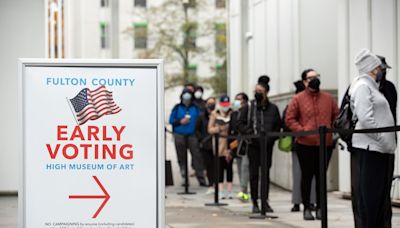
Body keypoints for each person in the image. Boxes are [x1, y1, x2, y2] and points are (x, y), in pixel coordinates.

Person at [349, 49, 396, 228]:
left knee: (378, 198)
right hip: (371, 149)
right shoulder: (363, 86)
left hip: (379, 150)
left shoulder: (370, 86)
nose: (381, 70)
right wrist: (382, 139)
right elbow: (365, 118)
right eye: (378, 67)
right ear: (372, 68)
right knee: (371, 198)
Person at [286, 69, 339, 220]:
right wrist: (303, 131)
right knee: (307, 177)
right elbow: (290, 119)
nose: (314, 80)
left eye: (316, 77)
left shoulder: (328, 98)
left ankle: (321, 208)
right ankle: (307, 208)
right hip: (305, 144)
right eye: (310, 78)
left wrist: (333, 130)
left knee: (321, 177)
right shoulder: (298, 99)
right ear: (304, 81)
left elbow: (337, 115)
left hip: (325, 144)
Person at [239, 75, 281, 213]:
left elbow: (277, 126)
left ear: (266, 92)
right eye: (255, 91)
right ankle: (254, 202)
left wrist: (270, 139)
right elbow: (240, 124)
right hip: (253, 145)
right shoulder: (249, 107)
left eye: (260, 91)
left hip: (267, 146)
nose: (257, 93)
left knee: (265, 174)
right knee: (254, 174)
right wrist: (249, 132)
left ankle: (265, 201)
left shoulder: (273, 108)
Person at [282, 80, 317, 212]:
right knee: (299, 174)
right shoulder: (294, 102)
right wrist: (301, 129)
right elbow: (286, 121)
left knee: (309, 174)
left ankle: (310, 201)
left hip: (310, 142)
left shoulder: (312, 101)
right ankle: (298, 201)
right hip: (298, 142)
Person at [169, 88, 206, 187]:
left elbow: (201, 121)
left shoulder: (195, 108)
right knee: (181, 157)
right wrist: (180, 121)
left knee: (197, 156)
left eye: (189, 94)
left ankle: (201, 178)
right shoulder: (177, 108)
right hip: (179, 135)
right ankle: (184, 178)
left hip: (192, 136)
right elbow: (171, 120)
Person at [208, 95, 234, 199]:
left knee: (229, 168)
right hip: (219, 145)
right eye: (224, 104)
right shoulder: (215, 114)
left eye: (227, 104)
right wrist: (219, 128)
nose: (225, 106)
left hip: (230, 144)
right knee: (219, 169)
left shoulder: (232, 113)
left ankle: (230, 191)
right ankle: (220, 191)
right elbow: (210, 129)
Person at [229, 92, 250, 202]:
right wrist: (230, 146)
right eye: (236, 99)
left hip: (246, 143)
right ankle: (244, 191)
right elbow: (230, 130)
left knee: (246, 168)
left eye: (239, 99)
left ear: (245, 100)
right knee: (240, 168)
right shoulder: (234, 114)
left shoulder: (249, 111)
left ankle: (245, 192)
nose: (237, 101)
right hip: (236, 144)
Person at [196, 97, 217, 194]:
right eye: (209, 103)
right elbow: (197, 130)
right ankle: (211, 184)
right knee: (208, 165)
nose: (211, 105)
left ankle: (217, 184)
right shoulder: (201, 116)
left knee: (216, 165)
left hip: (216, 144)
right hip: (205, 145)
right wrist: (201, 140)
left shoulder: (218, 115)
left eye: (213, 103)